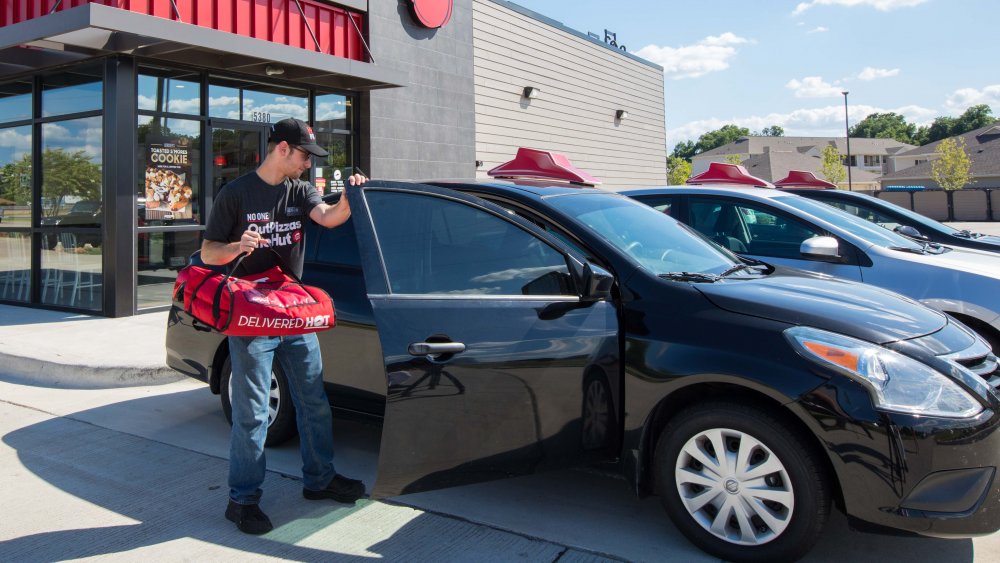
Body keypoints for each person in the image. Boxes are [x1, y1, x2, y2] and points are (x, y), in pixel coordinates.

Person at [201, 117, 367, 535]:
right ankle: (242, 501)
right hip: (252, 314)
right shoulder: (235, 193)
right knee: (254, 412)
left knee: (313, 400)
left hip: (292, 311)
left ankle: (320, 480)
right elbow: (208, 252)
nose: (308, 165)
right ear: (282, 149)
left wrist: (350, 198)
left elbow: (328, 217)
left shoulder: (299, 189)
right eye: (304, 156)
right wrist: (238, 245)